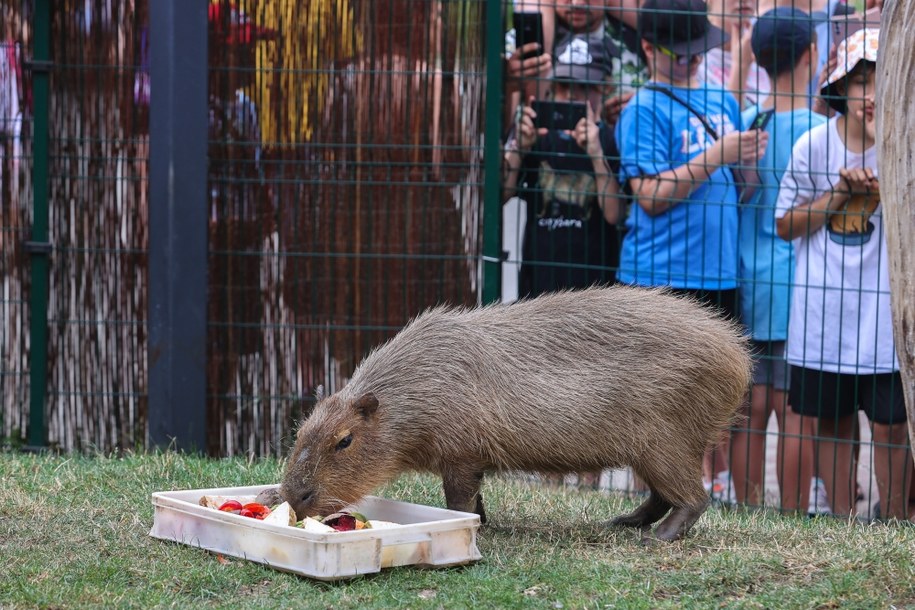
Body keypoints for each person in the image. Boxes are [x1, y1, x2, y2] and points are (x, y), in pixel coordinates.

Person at [616, 0, 767, 495]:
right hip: (661, 279)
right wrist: (715, 155)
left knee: (704, 398)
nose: (688, 62)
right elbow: (650, 198)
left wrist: (745, 163)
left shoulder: (721, 99)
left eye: (695, 53)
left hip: (718, 274)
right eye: (676, 54)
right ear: (647, 49)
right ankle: (659, 494)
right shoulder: (643, 108)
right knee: (651, 403)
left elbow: (738, 187)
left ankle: (693, 487)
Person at [775, 28, 912, 520]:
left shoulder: (905, 146)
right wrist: (836, 196)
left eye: (882, 80)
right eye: (859, 82)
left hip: (886, 317)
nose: (871, 95)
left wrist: (890, 184)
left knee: (893, 426)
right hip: (823, 313)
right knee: (831, 422)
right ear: (839, 88)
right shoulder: (813, 147)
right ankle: (843, 522)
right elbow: (784, 224)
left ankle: (894, 521)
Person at [729, 8, 826, 511]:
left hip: (748, 282)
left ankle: (745, 510)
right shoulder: (823, 131)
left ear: (759, 60)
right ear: (812, 53)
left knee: (749, 408)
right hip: (800, 286)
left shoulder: (743, 125)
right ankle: (793, 515)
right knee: (796, 412)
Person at [502, 35, 623, 298]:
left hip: (596, 291)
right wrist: (519, 149)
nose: (571, 96)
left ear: (604, 87)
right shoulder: (537, 137)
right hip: (539, 290)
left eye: (584, 86)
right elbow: (502, 194)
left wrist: (596, 153)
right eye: (563, 85)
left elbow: (615, 214)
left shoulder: (611, 139)